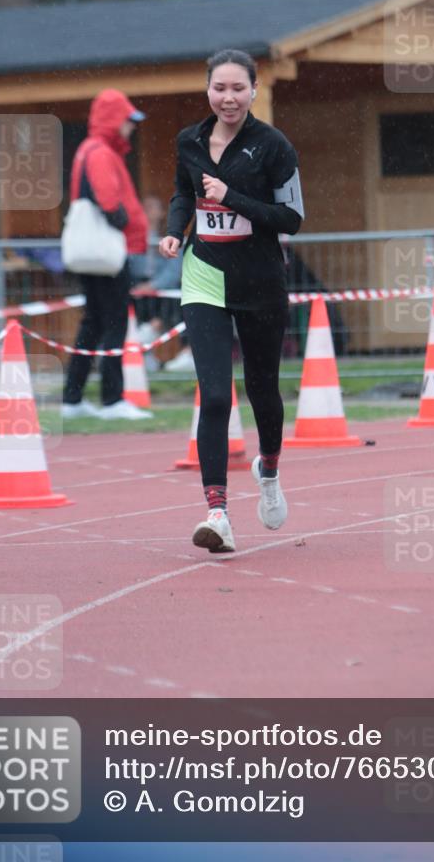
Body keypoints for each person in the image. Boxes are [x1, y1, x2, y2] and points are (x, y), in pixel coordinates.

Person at [159, 49, 304, 553]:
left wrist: (232, 198)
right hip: (204, 277)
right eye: (219, 88)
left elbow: (292, 219)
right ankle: (217, 513)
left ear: (254, 90)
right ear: (207, 90)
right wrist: (176, 230)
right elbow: (183, 191)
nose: (228, 98)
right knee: (216, 395)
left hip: (260, 281)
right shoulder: (189, 141)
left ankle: (268, 471)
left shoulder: (273, 146)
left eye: (238, 88)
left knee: (264, 391)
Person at [62, 88, 152, 421]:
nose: (131, 127)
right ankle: (113, 400)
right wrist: (125, 223)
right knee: (114, 322)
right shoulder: (100, 152)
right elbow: (109, 201)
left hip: (94, 252)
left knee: (93, 323)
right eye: (127, 120)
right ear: (114, 120)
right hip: (108, 252)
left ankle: (72, 398)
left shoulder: (90, 149)